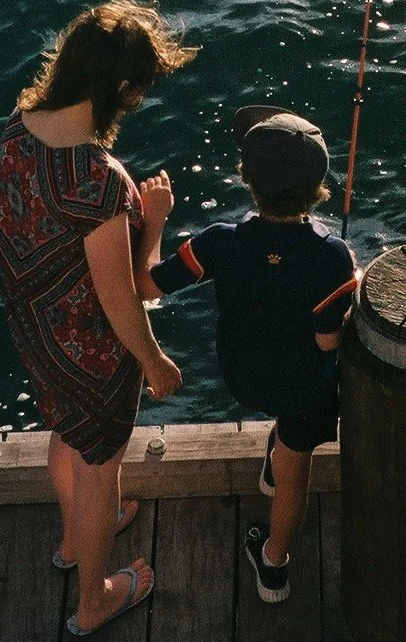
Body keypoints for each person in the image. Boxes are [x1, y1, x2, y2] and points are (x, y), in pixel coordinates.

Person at [0, 0, 196, 636]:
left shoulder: (20, 124)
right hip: (91, 352)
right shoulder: (101, 183)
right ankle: (95, 599)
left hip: (36, 327)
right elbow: (125, 295)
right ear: (123, 88)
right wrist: (155, 361)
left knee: (66, 434)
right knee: (100, 467)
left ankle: (75, 539)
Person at [146, 104, 358, 602]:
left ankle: (274, 460)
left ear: (248, 180)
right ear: (319, 186)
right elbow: (327, 342)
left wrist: (155, 221)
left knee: (282, 414)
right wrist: (354, 285)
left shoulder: (219, 242)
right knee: (294, 471)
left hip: (242, 374)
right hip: (302, 391)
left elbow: (147, 286)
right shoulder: (333, 256)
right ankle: (274, 565)